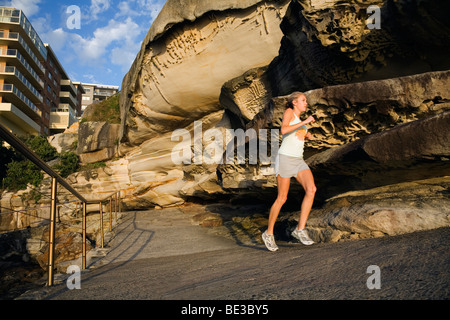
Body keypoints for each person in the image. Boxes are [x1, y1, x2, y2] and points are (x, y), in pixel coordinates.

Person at [262, 92, 317, 251]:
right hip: (285, 159)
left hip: (298, 160)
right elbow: (284, 130)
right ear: (294, 102)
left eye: (306, 101)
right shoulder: (289, 113)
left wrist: (307, 136)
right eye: (303, 100)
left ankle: (300, 229)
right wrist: (305, 122)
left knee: (311, 189)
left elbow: (296, 135)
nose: (306, 103)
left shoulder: (300, 121)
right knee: (282, 197)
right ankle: (269, 233)